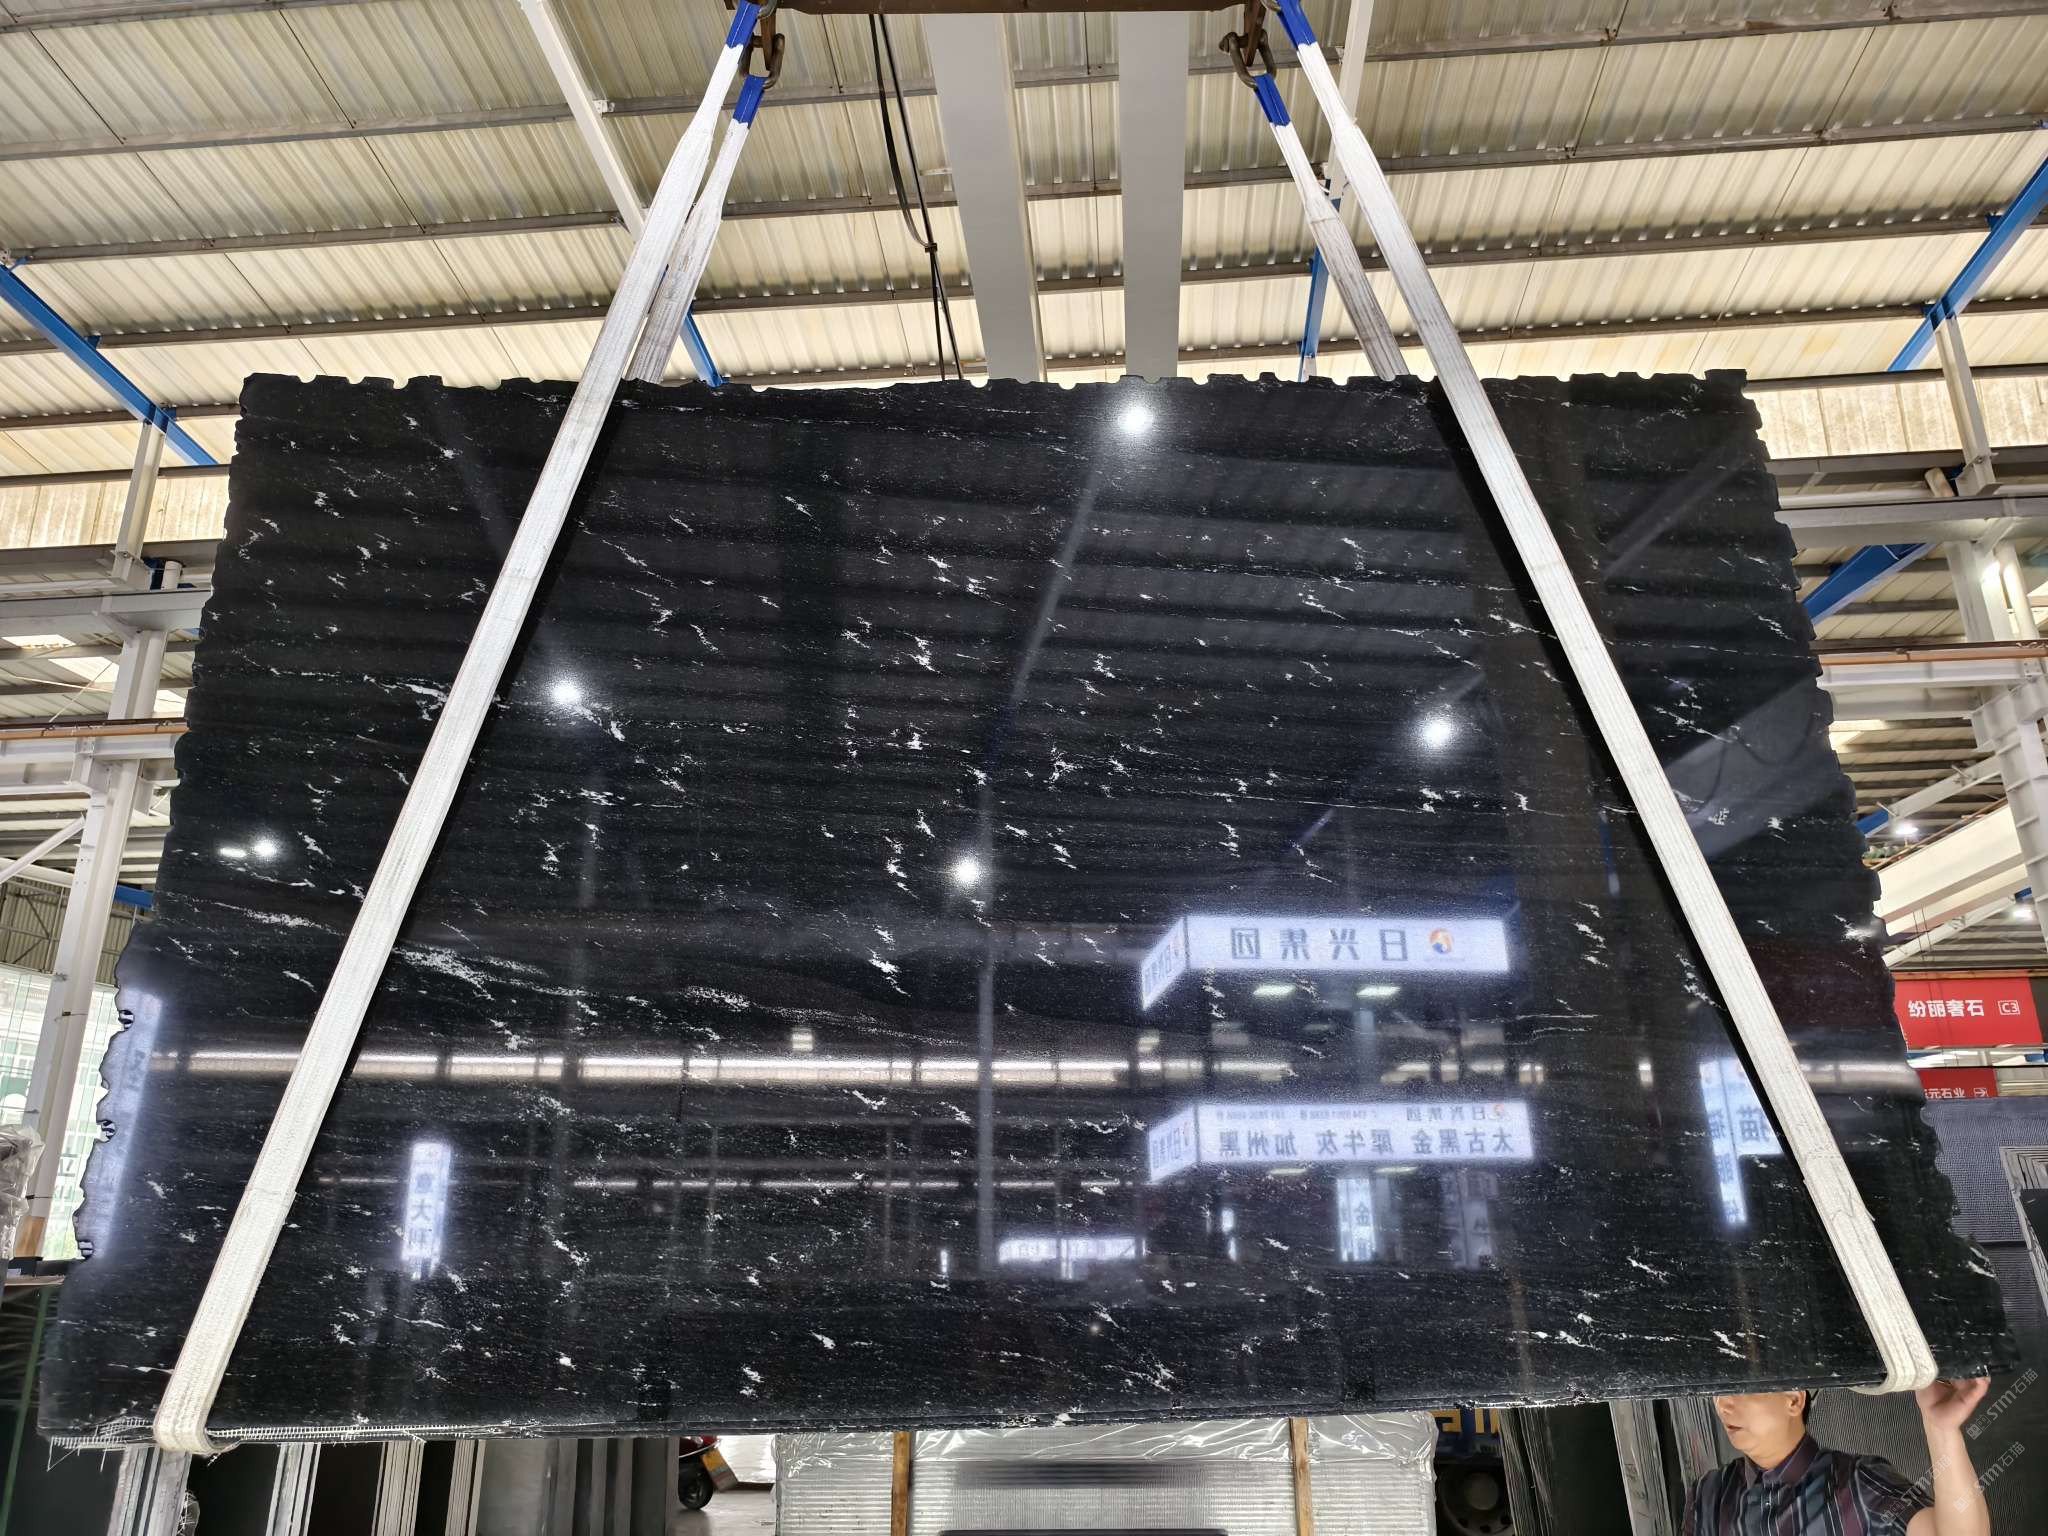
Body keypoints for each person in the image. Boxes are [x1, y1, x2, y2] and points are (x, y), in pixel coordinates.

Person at [1681, 1378, 1992, 1535]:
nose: (1723, 1404)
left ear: (1794, 1400)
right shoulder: (1709, 1493)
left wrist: (1941, 1430)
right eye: (1718, 1389)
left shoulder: (1857, 1485)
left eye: (1741, 1389)